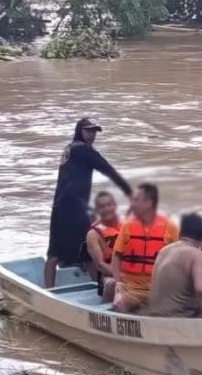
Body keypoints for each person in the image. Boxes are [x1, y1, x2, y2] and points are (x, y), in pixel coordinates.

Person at [45, 117, 132, 288]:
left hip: (60, 206)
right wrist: (129, 192)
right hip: (74, 208)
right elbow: (109, 170)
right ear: (80, 131)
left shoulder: (70, 148)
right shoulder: (83, 150)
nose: (92, 135)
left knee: (56, 253)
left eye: (94, 132)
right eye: (88, 131)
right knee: (88, 250)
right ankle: (96, 288)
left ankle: (48, 289)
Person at [112, 183, 179, 313]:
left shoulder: (170, 227)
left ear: (148, 202)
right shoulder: (127, 226)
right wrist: (118, 283)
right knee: (119, 304)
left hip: (160, 289)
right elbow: (116, 256)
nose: (132, 203)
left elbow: (179, 259)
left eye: (136, 200)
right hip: (132, 288)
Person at [146, 213, 202, 317]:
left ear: (180, 232)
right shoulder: (198, 255)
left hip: (154, 314)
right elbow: (200, 290)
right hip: (180, 317)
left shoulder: (164, 250)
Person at [85, 191, 122, 301]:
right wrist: (121, 277)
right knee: (112, 283)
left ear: (115, 205)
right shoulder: (93, 235)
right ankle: (107, 310)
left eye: (109, 205)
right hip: (108, 277)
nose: (106, 209)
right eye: (102, 207)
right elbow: (100, 265)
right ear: (97, 210)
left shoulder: (127, 226)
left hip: (130, 274)